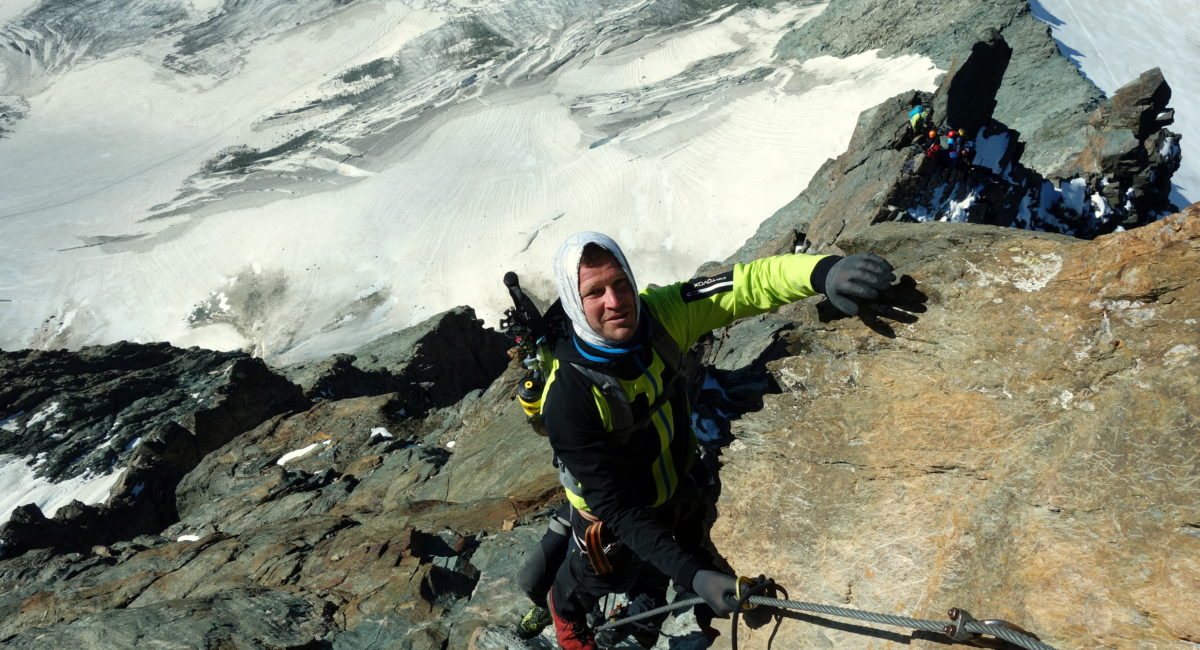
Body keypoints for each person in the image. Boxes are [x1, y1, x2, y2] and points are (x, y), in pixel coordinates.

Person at [541, 231, 896, 649]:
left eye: (620, 283)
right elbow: (615, 507)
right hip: (610, 509)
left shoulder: (662, 315)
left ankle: (713, 621)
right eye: (594, 292)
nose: (616, 301)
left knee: (702, 544)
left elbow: (743, 284)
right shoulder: (569, 396)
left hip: (675, 476)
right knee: (606, 573)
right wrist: (693, 576)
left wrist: (821, 272)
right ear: (573, 303)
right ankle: (564, 611)